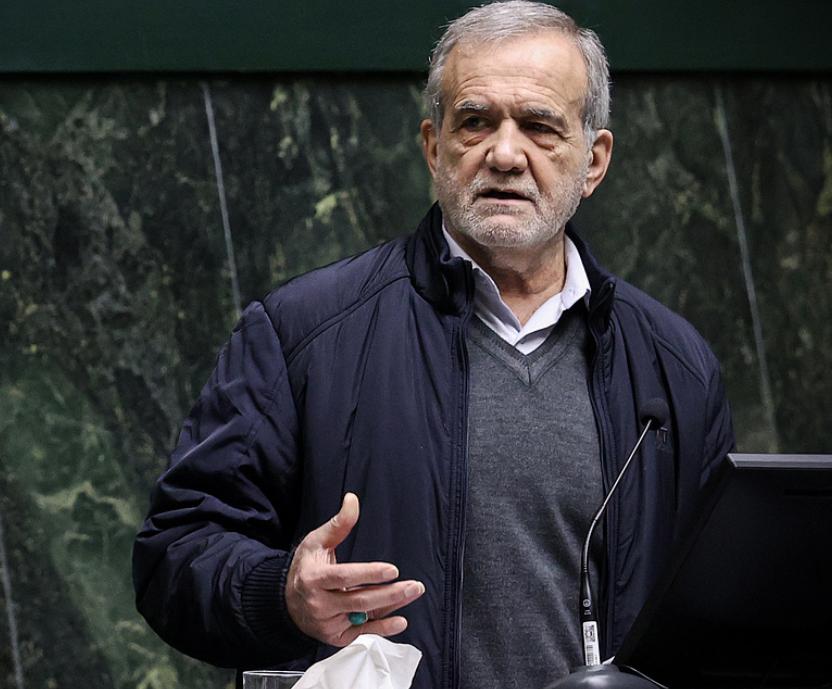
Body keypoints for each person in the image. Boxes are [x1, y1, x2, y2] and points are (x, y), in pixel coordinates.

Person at [132, 2, 735, 688]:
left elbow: (719, 617)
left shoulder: (675, 367)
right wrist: (281, 593)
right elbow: (174, 554)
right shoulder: (304, 334)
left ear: (593, 161)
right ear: (432, 146)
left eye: (539, 126)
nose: (504, 154)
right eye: (475, 122)